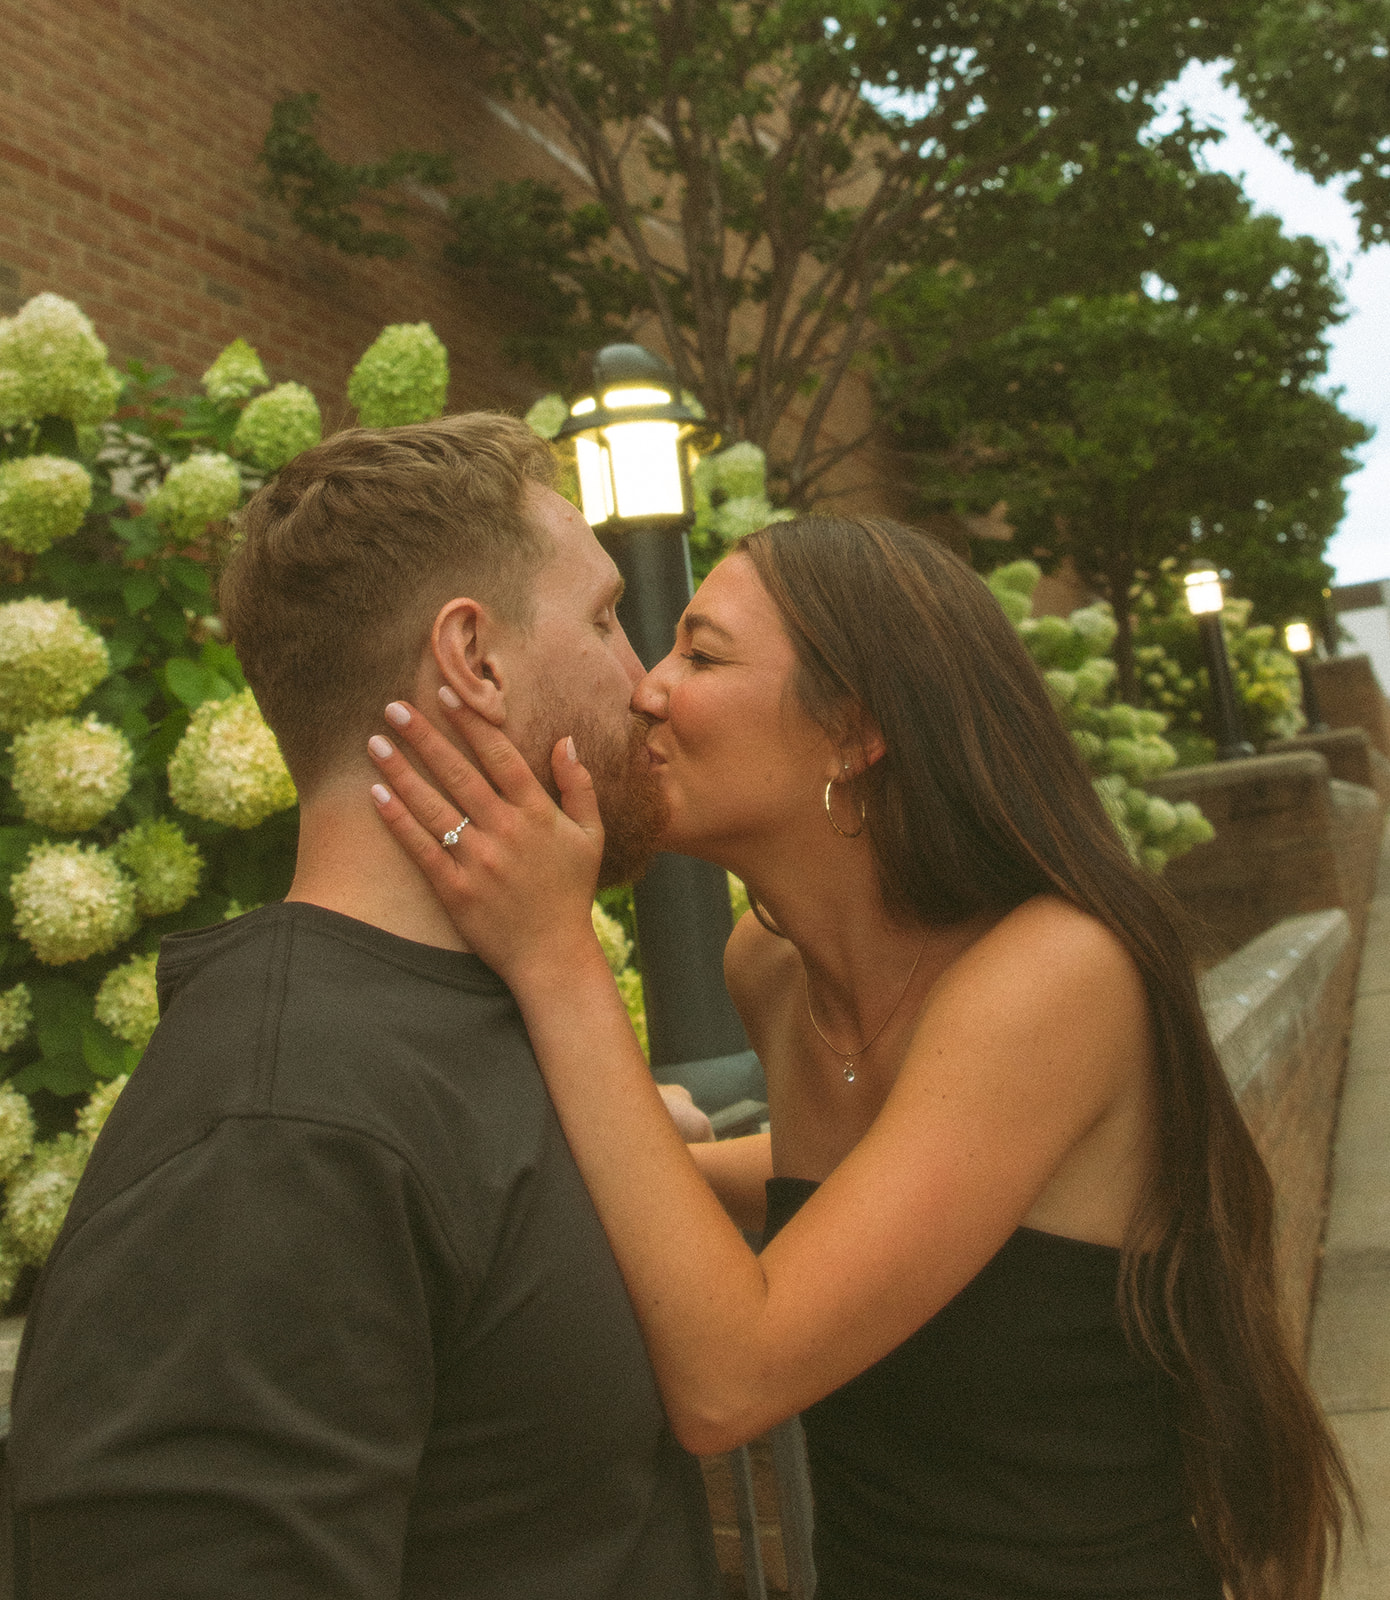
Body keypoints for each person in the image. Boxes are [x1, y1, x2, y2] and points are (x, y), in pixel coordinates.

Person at [368, 513, 1354, 1600]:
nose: (648, 686)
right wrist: (673, 1169)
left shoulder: (1054, 977)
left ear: (852, 731)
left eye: (701, 652)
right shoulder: (772, 969)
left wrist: (556, 956)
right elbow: (843, 1180)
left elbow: (731, 1379)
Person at [6, 415, 721, 1600]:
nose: (646, 682)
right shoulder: (279, 1123)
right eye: (603, 618)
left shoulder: (469, 1031)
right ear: (473, 658)